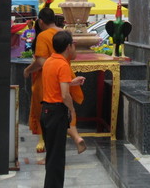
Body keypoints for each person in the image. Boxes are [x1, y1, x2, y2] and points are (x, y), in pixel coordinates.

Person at [23, 2, 85, 155]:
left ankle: (43, 140)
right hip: (65, 75)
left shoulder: (43, 36)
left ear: (40, 22)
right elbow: (73, 55)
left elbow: (40, 62)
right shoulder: (65, 34)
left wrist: (28, 70)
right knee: (67, 110)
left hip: (47, 78)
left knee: (43, 109)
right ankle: (76, 137)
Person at [40, 31, 86, 188]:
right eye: (73, 44)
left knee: (52, 156)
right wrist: (71, 109)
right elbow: (65, 95)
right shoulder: (63, 64)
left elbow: (55, 83)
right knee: (57, 158)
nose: (74, 48)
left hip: (46, 111)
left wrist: (72, 82)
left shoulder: (50, 61)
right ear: (68, 47)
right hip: (56, 113)